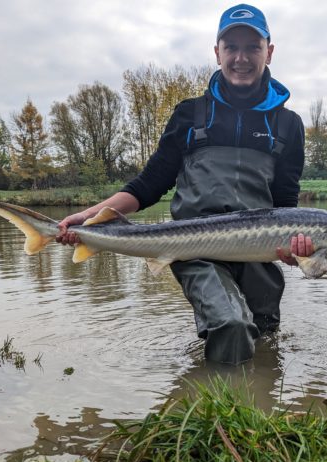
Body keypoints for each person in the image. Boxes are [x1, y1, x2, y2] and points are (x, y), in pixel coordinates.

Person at [56, 4, 310, 365]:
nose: (241, 57)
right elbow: (148, 185)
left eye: (252, 47)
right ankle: (225, 419)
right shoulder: (190, 114)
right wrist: (89, 216)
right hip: (194, 246)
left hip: (258, 252)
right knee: (232, 325)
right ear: (217, 52)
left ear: (269, 52)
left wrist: (295, 248)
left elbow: (286, 204)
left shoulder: (289, 125)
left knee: (265, 339)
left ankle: (255, 400)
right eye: (231, 47)